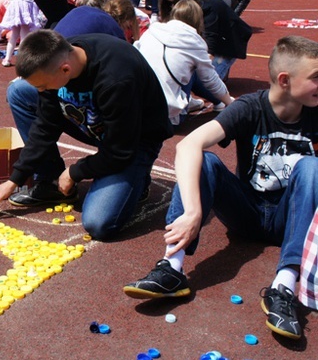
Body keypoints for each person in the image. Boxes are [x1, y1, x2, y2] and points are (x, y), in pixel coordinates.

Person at [123, 35, 318, 341]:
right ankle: (172, 268)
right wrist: (193, 212)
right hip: (247, 211)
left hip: (290, 220)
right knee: (206, 161)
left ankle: (283, 287)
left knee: (311, 168)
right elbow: (189, 145)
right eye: (316, 78)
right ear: (285, 80)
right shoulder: (250, 107)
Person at [0, 30, 173, 240]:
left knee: (99, 223)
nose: (42, 90)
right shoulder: (59, 55)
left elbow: (119, 151)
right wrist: (14, 180)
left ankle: (138, 178)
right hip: (97, 122)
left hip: (135, 138)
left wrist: (75, 171)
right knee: (18, 92)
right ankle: (51, 181)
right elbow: (45, 125)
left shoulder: (116, 79)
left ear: (65, 69)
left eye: (43, 86)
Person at [134, 0, 234, 126]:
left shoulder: (151, 31)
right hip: (168, 117)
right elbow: (210, 80)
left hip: (140, 109)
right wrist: (230, 102)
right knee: (197, 70)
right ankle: (218, 102)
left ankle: (192, 100)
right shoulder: (194, 43)